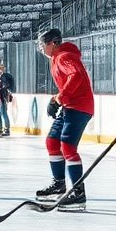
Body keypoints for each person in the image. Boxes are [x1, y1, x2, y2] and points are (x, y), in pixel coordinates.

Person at [35, 29, 94, 211]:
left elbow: (75, 76)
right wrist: (58, 99)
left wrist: (59, 98)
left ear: (53, 43)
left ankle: (78, 192)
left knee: (67, 146)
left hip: (79, 107)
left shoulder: (63, 56)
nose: (41, 48)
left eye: (42, 44)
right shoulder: (58, 57)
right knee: (52, 141)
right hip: (70, 106)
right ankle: (60, 183)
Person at [0, 63, 15, 136]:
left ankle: (6, 129)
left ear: (1, 69)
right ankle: (6, 129)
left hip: (3, 97)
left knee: (3, 113)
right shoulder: (5, 76)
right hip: (4, 96)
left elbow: (5, 86)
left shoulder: (4, 76)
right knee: (3, 113)